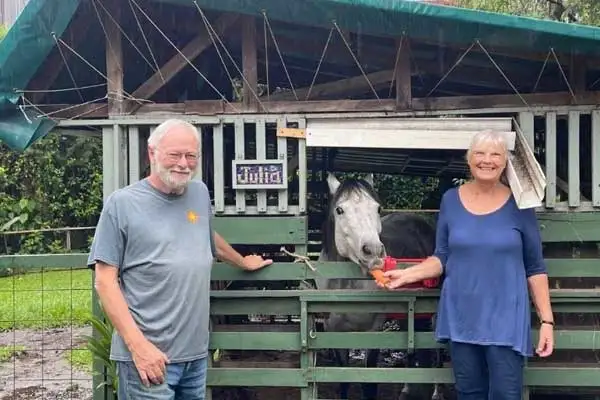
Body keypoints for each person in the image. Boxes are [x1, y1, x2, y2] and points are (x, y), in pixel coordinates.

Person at [88, 118, 273, 400]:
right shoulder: (121, 204)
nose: (183, 164)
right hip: (150, 359)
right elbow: (104, 282)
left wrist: (241, 261)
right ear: (152, 153)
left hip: (194, 358)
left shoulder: (198, 193)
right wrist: (139, 348)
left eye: (191, 156)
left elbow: (206, 235)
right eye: (175, 154)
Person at [380, 130, 554, 399]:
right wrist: (407, 274)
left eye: (495, 154)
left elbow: (535, 268)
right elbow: (442, 256)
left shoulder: (521, 205)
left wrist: (547, 321)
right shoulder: (451, 200)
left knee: (506, 394)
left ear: (505, 162)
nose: (487, 160)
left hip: (505, 319)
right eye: (480, 153)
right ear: (469, 160)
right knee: (468, 392)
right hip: (462, 317)